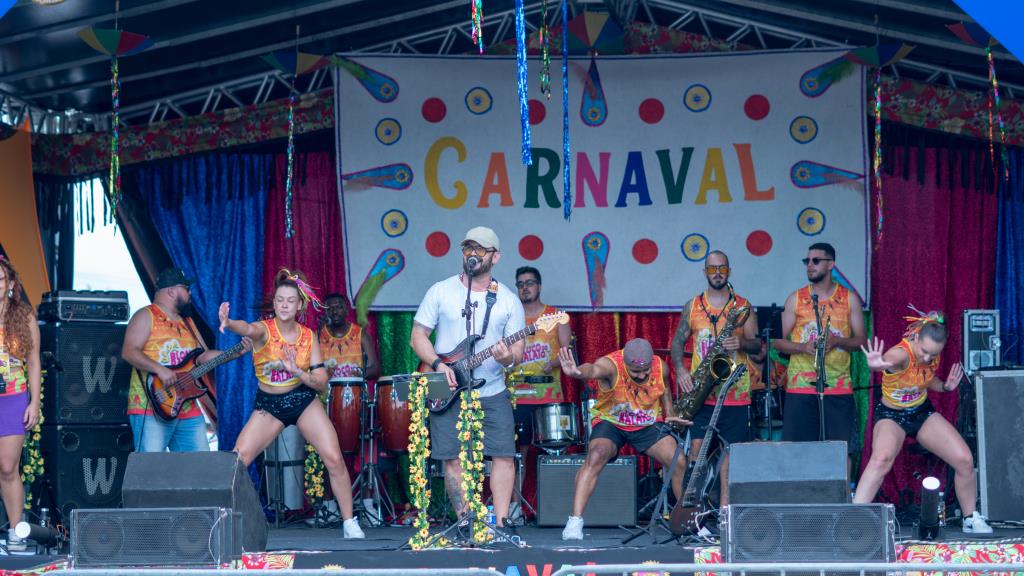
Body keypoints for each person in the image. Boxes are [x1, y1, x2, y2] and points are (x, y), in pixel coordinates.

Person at [219, 269, 364, 538]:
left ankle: (349, 522)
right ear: (274, 303)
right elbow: (246, 328)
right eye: (279, 300)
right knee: (237, 461)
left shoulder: (309, 336)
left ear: (299, 305)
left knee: (333, 457)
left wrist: (297, 371)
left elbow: (321, 382)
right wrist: (229, 323)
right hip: (269, 406)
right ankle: (227, 521)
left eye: (290, 300)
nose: (284, 305)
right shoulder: (264, 330)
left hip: (302, 401)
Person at [410, 226, 525, 530]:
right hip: (445, 386)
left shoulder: (508, 300)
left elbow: (518, 351)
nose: (472, 254)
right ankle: (465, 522)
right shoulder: (441, 290)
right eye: (468, 248)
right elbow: (418, 335)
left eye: (480, 249)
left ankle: (500, 524)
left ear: (495, 256)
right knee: (452, 457)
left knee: (502, 454)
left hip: (492, 390)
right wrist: (436, 363)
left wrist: (506, 357)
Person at [853, 311, 992, 534]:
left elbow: (925, 380)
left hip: (920, 412)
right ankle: (854, 517)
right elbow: (885, 363)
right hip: (892, 415)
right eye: (924, 351)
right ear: (916, 338)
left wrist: (944, 387)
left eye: (933, 354)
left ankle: (970, 518)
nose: (927, 358)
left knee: (964, 459)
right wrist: (876, 364)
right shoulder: (901, 353)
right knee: (881, 458)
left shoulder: (931, 355)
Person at [557, 338, 690, 540]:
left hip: (646, 423)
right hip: (612, 422)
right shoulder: (611, 365)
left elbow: (665, 391)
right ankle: (575, 522)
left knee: (679, 461)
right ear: (625, 363)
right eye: (636, 372)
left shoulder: (659, 366)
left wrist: (669, 413)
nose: (643, 375)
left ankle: (686, 519)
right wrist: (576, 372)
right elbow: (592, 370)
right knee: (595, 456)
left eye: (645, 370)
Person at [122, 268, 247, 453]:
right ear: (171, 291)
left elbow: (202, 358)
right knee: (149, 470)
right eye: (185, 288)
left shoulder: (186, 322)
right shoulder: (145, 315)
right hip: (151, 405)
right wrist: (160, 369)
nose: (190, 293)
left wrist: (236, 352)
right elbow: (129, 351)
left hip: (187, 406)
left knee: (198, 468)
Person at [670, 250, 759, 506]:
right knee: (697, 453)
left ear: (729, 271)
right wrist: (682, 370)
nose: (717, 273)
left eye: (722, 268)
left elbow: (758, 346)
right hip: (702, 395)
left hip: (736, 394)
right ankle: (696, 511)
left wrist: (741, 342)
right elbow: (677, 342)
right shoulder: (693, 305)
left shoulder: (742, 306)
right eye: (712, 268)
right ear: (705, 272)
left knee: (729, 458)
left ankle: (724, 515)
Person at [774, 243, 867, 470]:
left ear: (831, 264)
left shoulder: (849, 299)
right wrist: (803, 347)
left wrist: (838, 341)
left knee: (841, 451)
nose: (810, 265)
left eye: (816, 260)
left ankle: (841, 503)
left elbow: (863, 341)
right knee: (796, 451)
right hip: (800, 387)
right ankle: (798, 502)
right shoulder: (795, 298)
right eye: (807, 261)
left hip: (838, 387)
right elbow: (777, 341)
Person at [509, 266, 572, 520]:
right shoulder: (509, 318)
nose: (525, 287)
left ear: (540, 286)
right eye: (521, 284)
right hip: (518, 396)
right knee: (515, 454)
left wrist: (554, 363)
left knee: (556, 452)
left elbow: (569, 354)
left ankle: (559, 510)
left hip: (548, 396)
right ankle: (514, 509)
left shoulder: (558, 317)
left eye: (530, 283)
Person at [0, 257, 40, 552]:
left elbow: (34, 362)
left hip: (13, 398)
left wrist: (34, 402)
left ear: (10, 284)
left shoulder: (23, 315)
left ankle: (17, 532)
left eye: (0, 279)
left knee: (7, 467)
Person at [319, 293, 380, 381]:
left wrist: (359, 374)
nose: (335, 312)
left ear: (347, 310)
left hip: (356, 391)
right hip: (328, 392)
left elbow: (375, 369)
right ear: (325, 313)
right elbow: (311, 371)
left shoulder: (361, 334)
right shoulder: (318, 336)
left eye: (339, 307)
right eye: (329, 308)